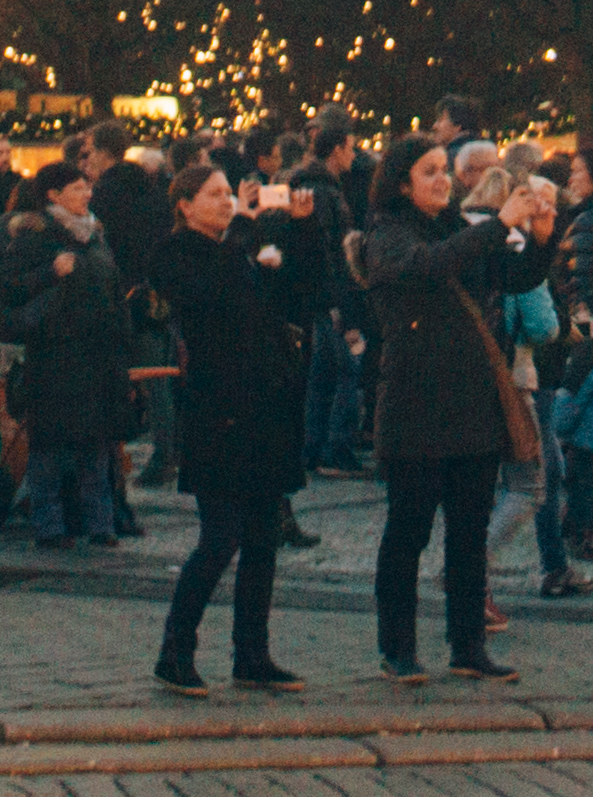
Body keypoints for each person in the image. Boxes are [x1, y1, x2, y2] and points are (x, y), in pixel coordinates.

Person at [139, 154, 322, 694]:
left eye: (229, 193)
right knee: (220, 538)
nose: (226, 201)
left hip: (265, 408)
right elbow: (203, 299)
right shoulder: (176, 254)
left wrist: (304, 231)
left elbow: (300, 293)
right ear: (185, 206)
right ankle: (175, 651)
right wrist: (243, 228)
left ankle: (252, 653)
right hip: (217, 411)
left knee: (264, 538)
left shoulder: (237, 254)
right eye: (216, 194)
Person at [347, 134, 513, 681]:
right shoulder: (387, 235)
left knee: (469, 533)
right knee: (408, 531)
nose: (443, 179)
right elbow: (428, 268)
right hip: (416, 405)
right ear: (401, 182)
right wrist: (497, 225)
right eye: (429, 171)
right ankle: (397, 647)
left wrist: (537, 235)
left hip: (470, 402)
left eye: (445, 169)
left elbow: (508, 276)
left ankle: (468, 646)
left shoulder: (452, 226)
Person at [0, 156, 140, 546]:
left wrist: (123, 342)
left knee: (97, 442)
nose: (87, 194)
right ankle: (50, 524)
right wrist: (50, 272)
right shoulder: (36, 235)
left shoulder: (95, 235)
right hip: (54, 355)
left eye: (87, 187)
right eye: (78, 189)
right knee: (50, 446)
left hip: (99, 355)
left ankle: (100, 523)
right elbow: (10, 290)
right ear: (53, 195)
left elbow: (113, 288)